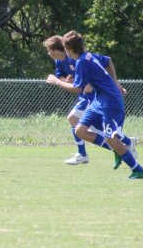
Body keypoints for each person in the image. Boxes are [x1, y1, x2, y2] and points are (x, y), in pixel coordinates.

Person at [46, 31, 143, 179]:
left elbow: (77, 88)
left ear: (69, 48)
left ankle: (138, 169)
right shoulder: (85, 57)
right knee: (80, 130)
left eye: (65, 47)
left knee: (110, 138)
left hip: (110, 101)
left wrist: (57, 81)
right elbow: (100, 69)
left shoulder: (82, 62)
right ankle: (119, 147)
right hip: (99, 101)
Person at [43, 35, 117, 165]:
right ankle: (125, 144)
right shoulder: (59, 62)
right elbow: (62, 77)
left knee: (74, 119)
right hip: (84, 96)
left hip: (92, 95)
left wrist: (109, 83)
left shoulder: (80, 58)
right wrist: (65, 80)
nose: (48, 54)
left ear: (55, 50)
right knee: (94, 128)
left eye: (49, 50)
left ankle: (85, 154)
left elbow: (104, 62)